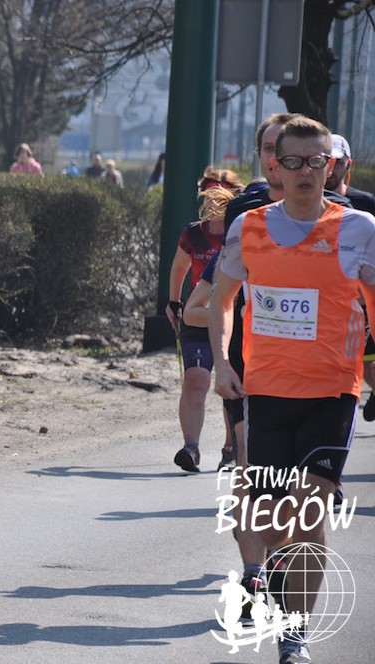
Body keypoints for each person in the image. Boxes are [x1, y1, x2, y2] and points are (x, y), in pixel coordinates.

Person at [209, 115, 375, 664]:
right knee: (273, 526)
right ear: (274, 166)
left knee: (310, 513)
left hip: (333, 391)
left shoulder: (359, 229)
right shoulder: (249, 228)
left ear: (332, 165)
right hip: (266, 392)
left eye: (316, 162)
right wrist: (221, 363)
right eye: (293, 161)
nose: (305, 172)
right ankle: (278, 584)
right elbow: (222, 300)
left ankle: (295, 634)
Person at [166, 167, 243, 473]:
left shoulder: (240, 231)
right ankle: (191, 448)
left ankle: (230, 449)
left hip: (232, 319)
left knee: (231, 383)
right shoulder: (194, 233)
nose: (213, 197)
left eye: (220, 191)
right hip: (198, 315)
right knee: (196, 380)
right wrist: (173, 302)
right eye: (208, 191)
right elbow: (178, 268)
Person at [324, 134, 375, 421]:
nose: (332, 169)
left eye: (338, 162)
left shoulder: (365, 204)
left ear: (348, 164)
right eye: (326, 162)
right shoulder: (307, 204)